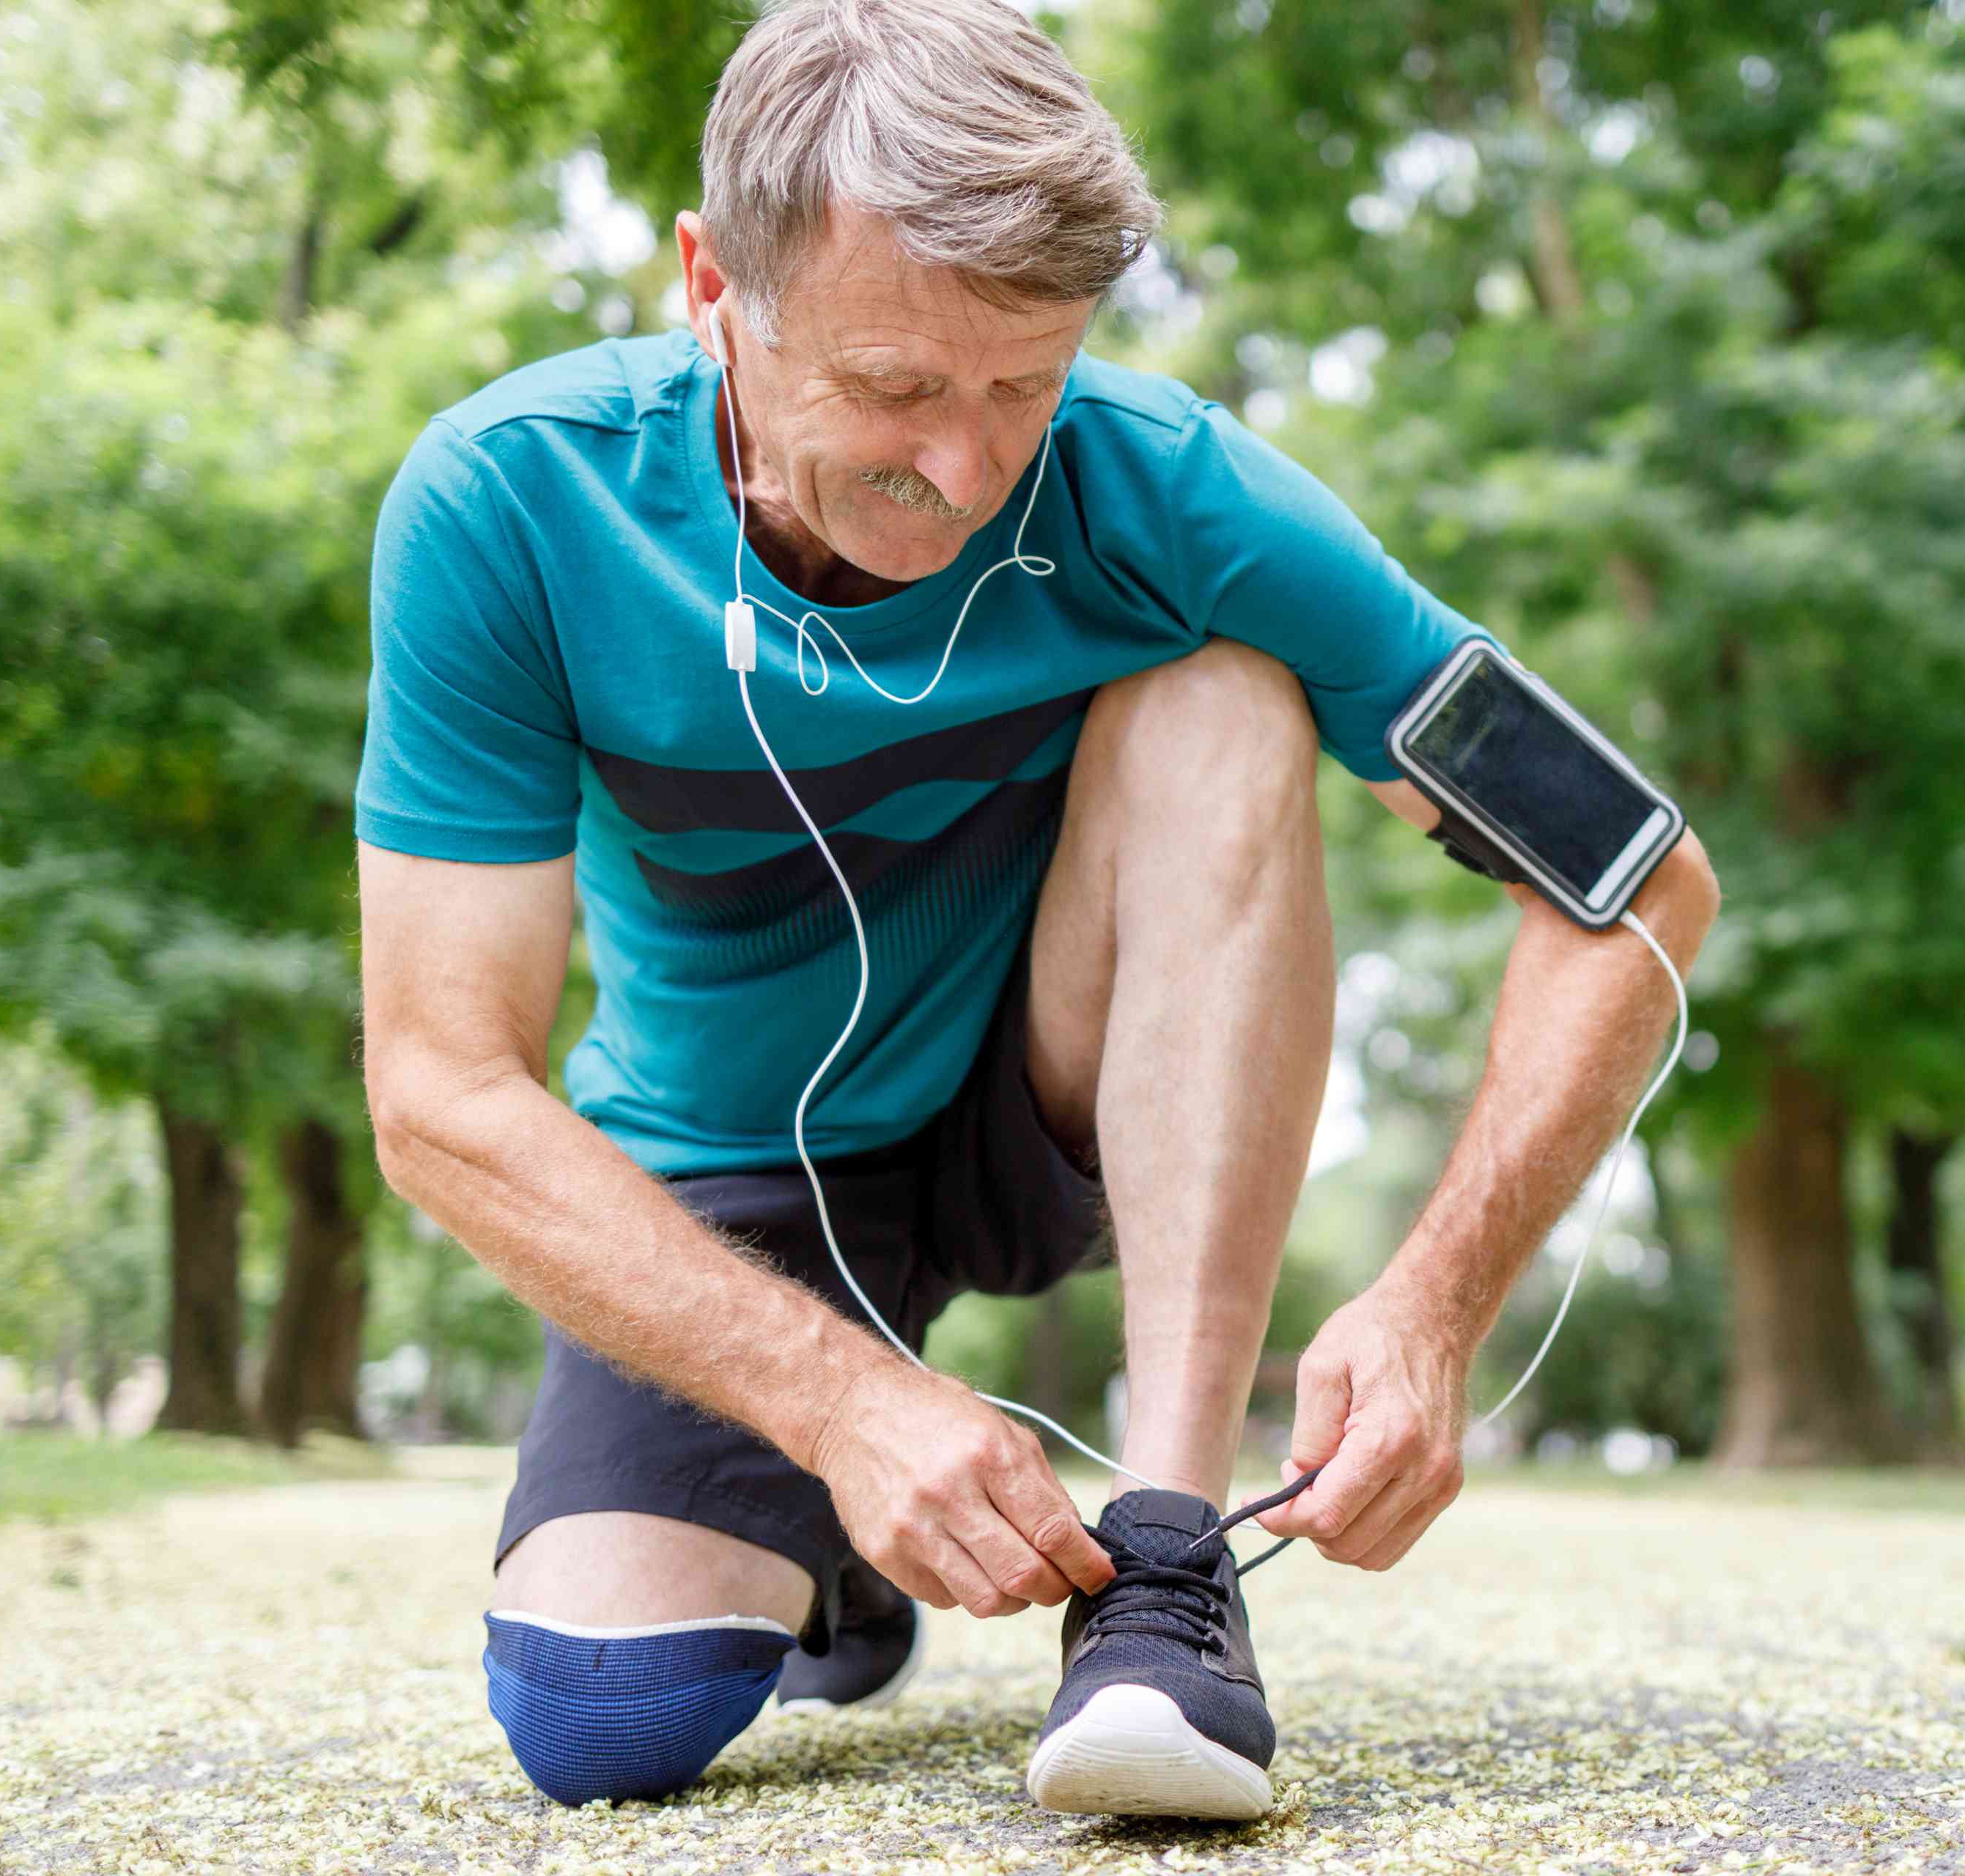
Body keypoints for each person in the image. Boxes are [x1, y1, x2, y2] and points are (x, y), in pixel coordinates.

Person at [353, 0, 1717, 1823]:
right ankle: (835, 1553)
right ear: (713, 285)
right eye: (898, 387)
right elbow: (440, 1089)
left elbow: (1642, 887)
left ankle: (1164, 1561)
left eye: (1026, 385)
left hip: (1054, 1095)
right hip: (727, 1166)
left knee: (1224, 692)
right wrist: (836, 1406)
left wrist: (1431, 1304)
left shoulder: (1181, 490)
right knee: (603, 1720)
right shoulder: (509, 503)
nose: (970, 468)